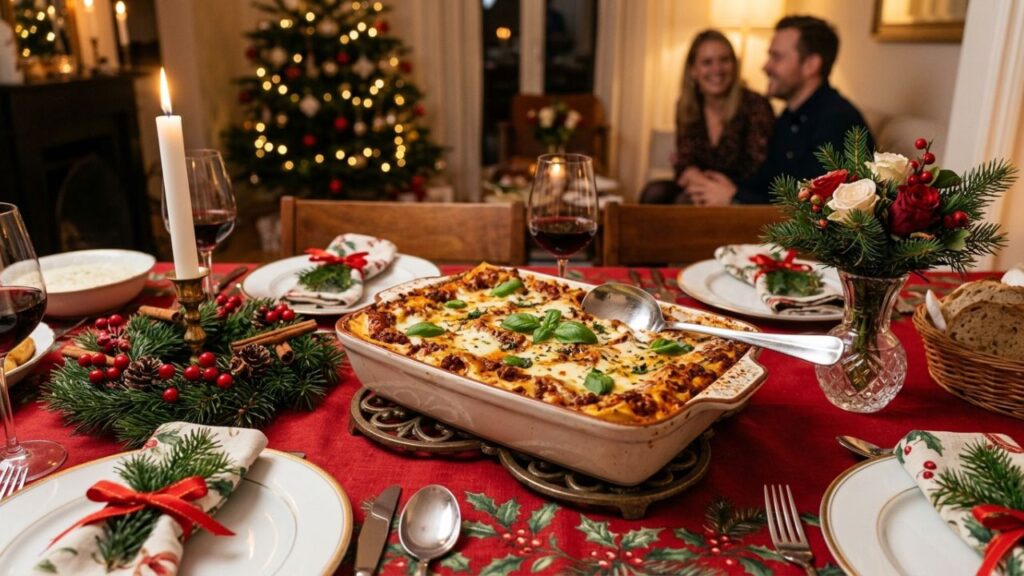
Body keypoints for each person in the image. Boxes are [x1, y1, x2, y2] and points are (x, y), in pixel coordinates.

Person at [686, 15, 874, 205]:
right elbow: (765, 183)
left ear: (810, 65)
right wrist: (720, 186)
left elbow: (812, 209)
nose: (765, 67)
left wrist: (734, 197)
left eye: (776, 57)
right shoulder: (788, 118)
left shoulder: (837, 121)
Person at [641, 30, 775, 205]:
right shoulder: (687, 106)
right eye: (707, 62)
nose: (717, 69)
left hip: (739, 192)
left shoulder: (755, 105)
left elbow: (756, 168)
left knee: (685, 202)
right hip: (700, 186)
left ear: (735, 66)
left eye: (724, 60)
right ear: (693, 70)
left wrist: (707, 184)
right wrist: (691, 174)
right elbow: (684, 159)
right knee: (654, 192)